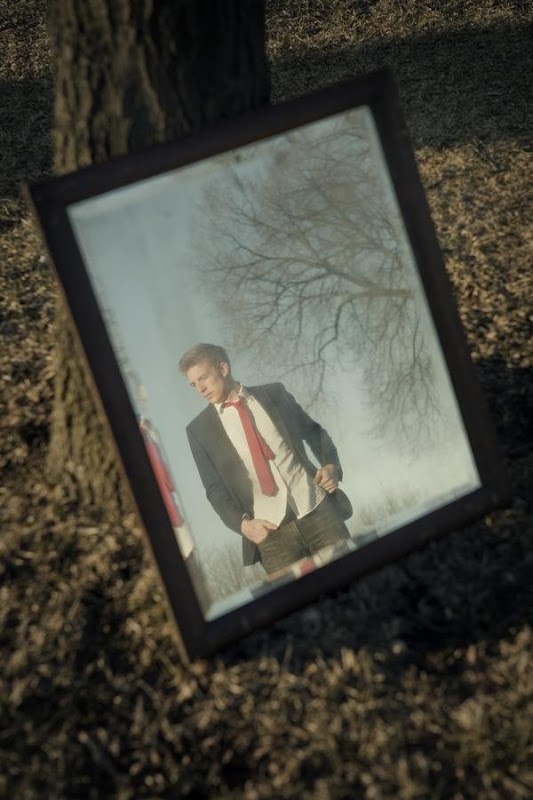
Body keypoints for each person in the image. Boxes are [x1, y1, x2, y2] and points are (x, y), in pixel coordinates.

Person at [179, 343, 352, 575]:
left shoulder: (274, 394)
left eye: (203, 378)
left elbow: (313, 432)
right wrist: (243, 525)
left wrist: (331, 466)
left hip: (318, 511)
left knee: (352, 581)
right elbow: (214, 489)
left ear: (223, 368)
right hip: (270, 536)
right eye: (193, 384)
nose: (200, 388)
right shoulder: (199, 431)